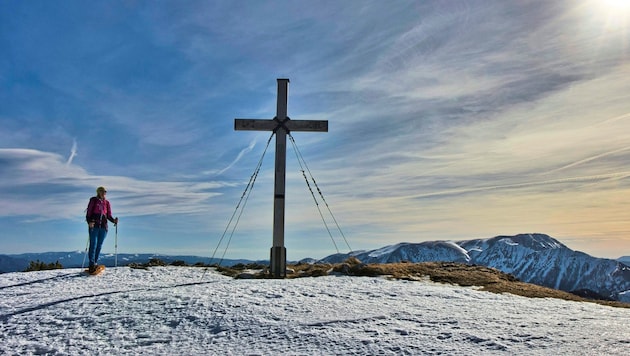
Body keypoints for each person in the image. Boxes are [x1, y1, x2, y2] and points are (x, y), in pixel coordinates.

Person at [85, 186, 118, 273]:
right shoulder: (93, 200)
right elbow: (89, 212)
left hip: (103, 227)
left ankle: (95, 262)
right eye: (102, 191)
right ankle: (91, 264)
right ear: (98, 192)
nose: (104, 193)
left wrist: (113, 220)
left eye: (105, 191)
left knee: (99, 245)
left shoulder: (107, 203)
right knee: (93, 244)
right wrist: (89, 221)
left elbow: (108, 215)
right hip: (94, 225)